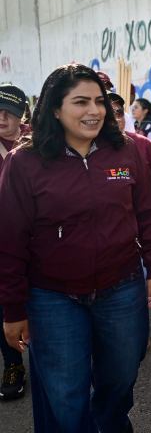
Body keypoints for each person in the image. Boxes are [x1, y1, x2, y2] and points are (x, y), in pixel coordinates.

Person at [0, 63, 151, 431]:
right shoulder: (24, 162)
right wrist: (13, 309)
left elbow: (148, 211)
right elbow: (9, 241)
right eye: (80, 102)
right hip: (52, 297)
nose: (94, 110)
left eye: (98, 101)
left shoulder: (125, 152)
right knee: (65, 393)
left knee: (121, 378)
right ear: (55, 108)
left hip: (121, 287)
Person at [0, 84, 30, 401]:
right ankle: (12, 364)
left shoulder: (36, 143)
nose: (2, 117)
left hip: (35, 242)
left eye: (8, 112)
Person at [109, 92, 151, 197]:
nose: (117, 119)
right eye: (110, 114)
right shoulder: (90, 147)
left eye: (119, 113)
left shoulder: (144, 143)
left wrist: (146, 196)